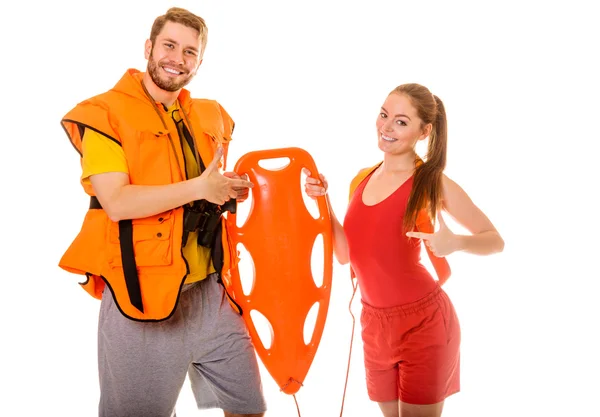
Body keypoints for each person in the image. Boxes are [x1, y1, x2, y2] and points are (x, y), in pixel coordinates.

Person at [59, 7, 266, 417]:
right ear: (149, 48)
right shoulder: (105, 114)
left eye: (190, 52)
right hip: (141, 299)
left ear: (200, 62)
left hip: (211, 294)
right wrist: (201, 187)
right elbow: (116, 202)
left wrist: (245, 191)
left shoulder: (208, 115)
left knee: (249, 407)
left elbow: (215, 187)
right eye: (170, 45)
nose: (178, 58)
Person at [304, 83, 504, 417]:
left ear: (424, 131)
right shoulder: (362, 179)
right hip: (374, 325)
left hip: (424, 323)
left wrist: (457, 243)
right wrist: (323, 201)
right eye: (383, 115)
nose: (385, 127)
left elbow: (494, 240)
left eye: (400, 121)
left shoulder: (432, 182)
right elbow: (345, 254)